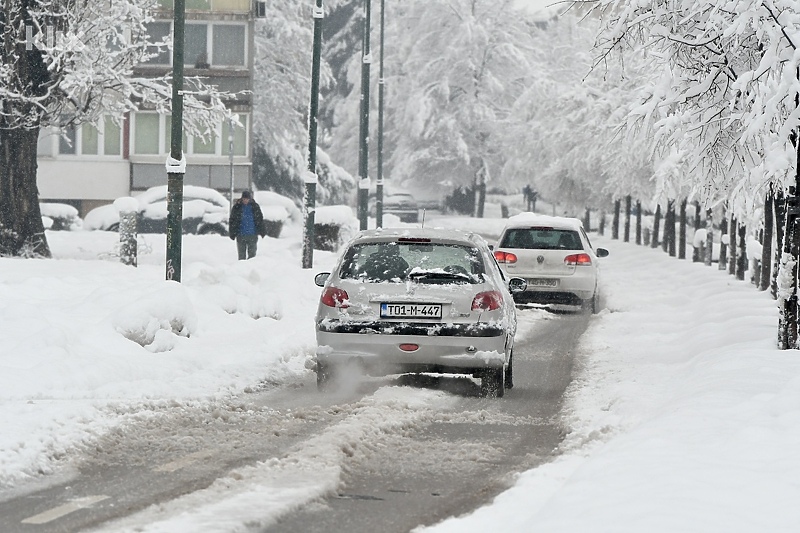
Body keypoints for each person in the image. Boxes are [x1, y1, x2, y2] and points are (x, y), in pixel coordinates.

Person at [229, 190, 266, 260]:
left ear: (250, 199)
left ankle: (250, 269)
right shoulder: (237, 207)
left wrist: (262, 230)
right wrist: (232, 232)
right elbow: (232, 220)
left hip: (252, 235)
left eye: (247, 199)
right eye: (244, 199)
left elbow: (259, 219)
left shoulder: (255, 207)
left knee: (252, 257)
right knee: (241, 257)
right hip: (241, 235)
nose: (245, 200)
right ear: (242, 198)